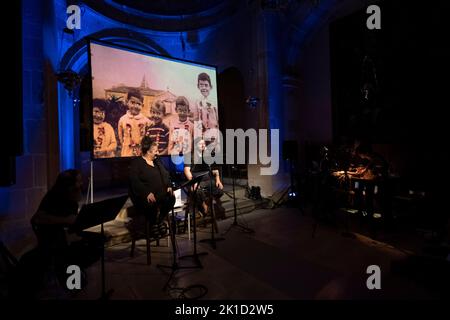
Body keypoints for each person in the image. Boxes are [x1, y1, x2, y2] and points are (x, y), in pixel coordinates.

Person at [30, 169, 102, 286]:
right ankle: (70, 278)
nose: (81, 184)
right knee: (76, 250)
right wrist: (65, 221)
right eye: (78, 181)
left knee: (98, 241)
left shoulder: (72, 196)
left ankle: (74, 271)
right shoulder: (53, 196)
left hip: (67, 233)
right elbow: (37, 218)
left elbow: (72, 219)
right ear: (69, 184)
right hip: (53, 236)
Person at [129, 136, 175, 229]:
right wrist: (146, 193)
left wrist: (169, 185)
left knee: (171, 199)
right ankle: (153, 224)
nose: (157, 153)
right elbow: (134, 181)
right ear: (149, 152)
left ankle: (158, 220)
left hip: (160, 195)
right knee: (151, 206)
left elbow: (166, 174)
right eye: (155, 151)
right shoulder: (137, 163)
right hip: (146, 198)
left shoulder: (157, 161)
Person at [184, 137, 225, 219]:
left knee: (219, 190)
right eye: (200, 144)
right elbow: (186, 171)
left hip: (208, 179)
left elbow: (215, 169)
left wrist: (218, 179)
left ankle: (210, 205)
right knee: (197, 191)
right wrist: (193, 182)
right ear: (195, 146)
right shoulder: (190, 156)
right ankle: (204, 206)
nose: (203, 145)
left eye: (204, 144)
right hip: (197, 180)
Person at [118, 89, 151, 157]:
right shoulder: (122, 120)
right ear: (127, 102)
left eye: (138, 104)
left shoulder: (146, 121)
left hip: (141, 153)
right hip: (126, 152)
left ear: (142, 105)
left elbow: (149, 135)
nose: (135, 106)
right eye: (132, 102)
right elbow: (120, 137)